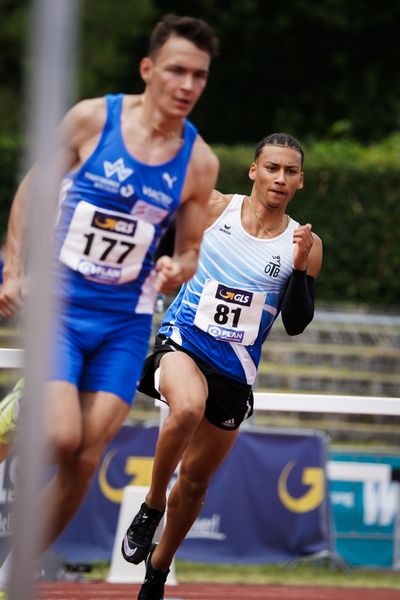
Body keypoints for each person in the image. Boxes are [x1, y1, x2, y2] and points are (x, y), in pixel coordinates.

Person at [0, 13, 219, 589]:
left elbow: (193, 247)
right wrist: (13, 267)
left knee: (85, 456)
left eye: (198, 75)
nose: (187, 85)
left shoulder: (199, 162)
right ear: (148, 69)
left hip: (125, 323)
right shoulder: (94, 119)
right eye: (176, 70)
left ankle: (13, 572)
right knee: (63, 434)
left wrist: (180, 266)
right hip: (61, 308)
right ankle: (19, 411)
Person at [121, 133, 323, 600]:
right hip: (183, 344)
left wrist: (295, 267)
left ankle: (157, 571)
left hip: (234, 372)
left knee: (193, 484)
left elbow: (296, 322)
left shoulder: (306, 243)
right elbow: (162, 241)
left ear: (300, 182)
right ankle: (151, 506)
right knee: (187, 408)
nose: (280, 178)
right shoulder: (216, 208)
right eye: (272, 167)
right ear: (254, 170)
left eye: (290, 171)